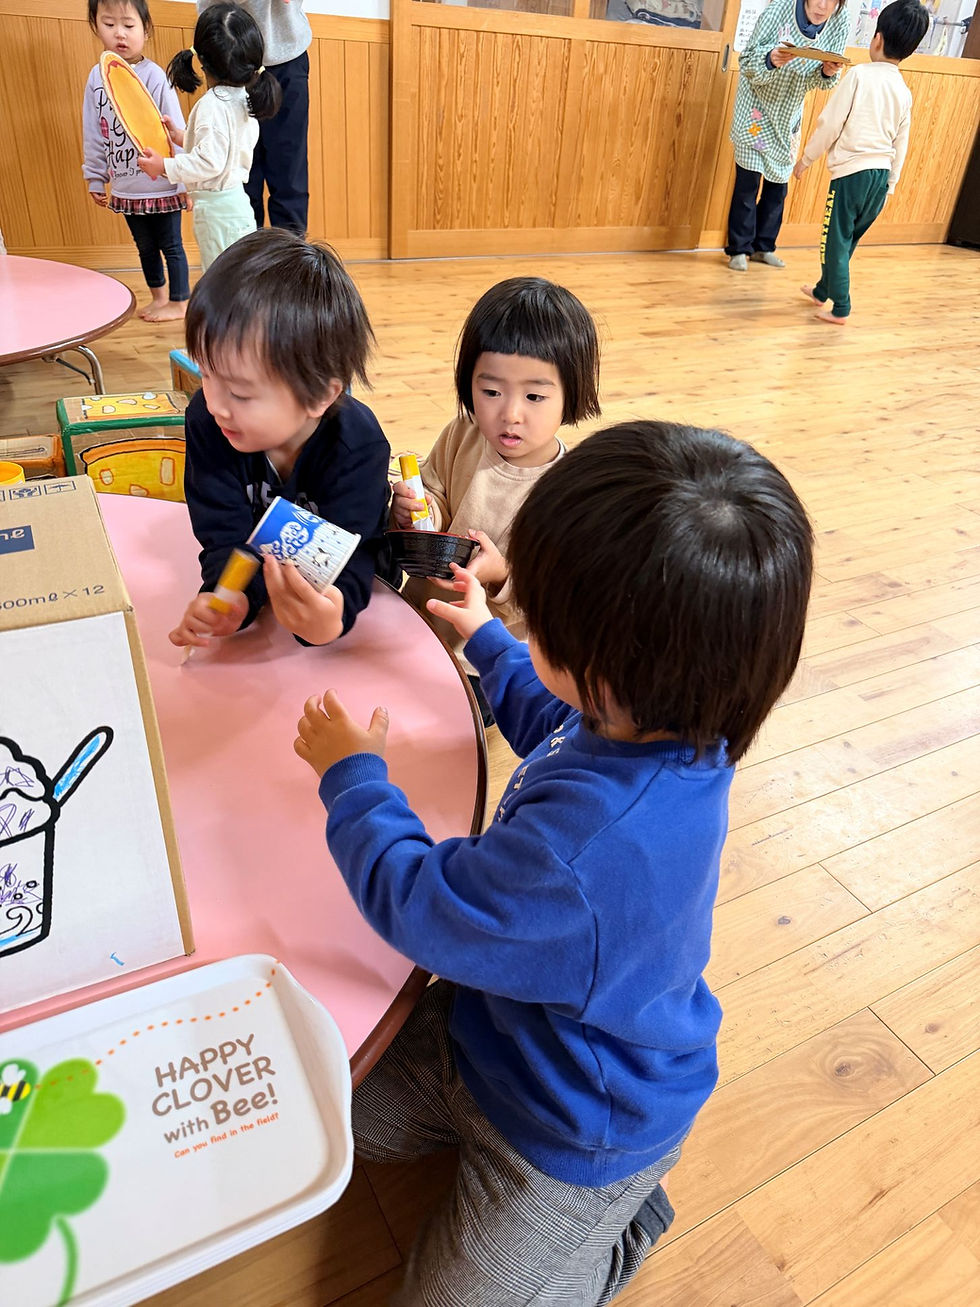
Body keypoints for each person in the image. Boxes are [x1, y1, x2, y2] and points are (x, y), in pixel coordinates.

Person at [294, 420, 814, 1306]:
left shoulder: (589, 848)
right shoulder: (669, 721)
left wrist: (352, 779)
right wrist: (489, 643)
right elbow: (559, 727)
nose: (521, 616)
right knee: (321, 1116)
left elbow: (421, 904)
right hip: (492, 1031)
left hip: (575, 1126)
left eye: (541, 621)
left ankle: (619, 1226)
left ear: (613, 670)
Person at [168, 227, 395, 652]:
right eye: (206, 374)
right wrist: (230, 596)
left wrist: (332, 616)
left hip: (359, 625)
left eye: (239, 392)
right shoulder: (209, 421)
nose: (215, 403)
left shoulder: (358, 446)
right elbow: (224, 533)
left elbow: (356, 552)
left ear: (322, 395)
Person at [390, 277, 600, 723]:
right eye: (491, 392)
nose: (510, 413)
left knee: (446, 729)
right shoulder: (461, 435)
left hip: (484, 658)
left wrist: (501, 572)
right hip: (422, 617)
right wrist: (417, 506)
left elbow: (555, 596)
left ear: (571, 394)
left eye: (535, 396)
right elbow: (437, 494)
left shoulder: (569, 489)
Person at [793, 0, 930, 324]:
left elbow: (830, 123)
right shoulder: (902, 89)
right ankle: (821, 291)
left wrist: (806, 159)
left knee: (832, 242)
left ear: (877, 39)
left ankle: (841, 307)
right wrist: (891, 183)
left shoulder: (859, 76)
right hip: (879, 178)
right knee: (846, 241)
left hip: (852, 177)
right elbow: (902, 140)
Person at [137, 2, 281, 270]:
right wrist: (182, 137)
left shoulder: (213, 104)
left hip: (217, 212)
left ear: (201, 59)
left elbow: (210, 162)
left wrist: (164, 166)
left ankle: (223, 314)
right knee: (237, 275)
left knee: (220, 276)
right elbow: (223, 147)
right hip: (236, 205)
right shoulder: (244, 99)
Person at [82, 0, 190, 322]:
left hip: (163, 183)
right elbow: (93, 131)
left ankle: (180, 302)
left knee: (171, 245)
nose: (120, 34)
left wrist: (184, 180)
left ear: (146, 29)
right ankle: (159, 298)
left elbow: (176, 129)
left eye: (129, 26)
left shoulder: (154, 76)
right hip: (127, 186)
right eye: (109, 24)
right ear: (95, 26)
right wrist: (95, 176)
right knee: (144, 247)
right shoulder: (96, 79)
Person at [726, 0, 850, 272]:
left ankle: (764, 246)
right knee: (748, 183)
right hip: (755, 108)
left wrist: (827, 72)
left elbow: (822, 79)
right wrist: (771, 59)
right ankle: (739, 249)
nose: (822, 5)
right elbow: (747, 59)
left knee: (778, 187)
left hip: (789, 112)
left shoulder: (841, 21)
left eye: (832, 1)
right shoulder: (777, 10)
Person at [198, 0, 312, 234]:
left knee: (289, 178)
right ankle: (246, 265)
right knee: (239, 180)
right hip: (228, 58)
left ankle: (291, 265)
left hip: (287, 54)